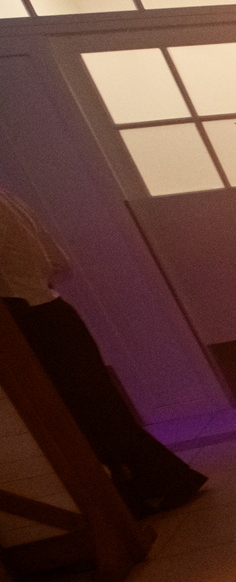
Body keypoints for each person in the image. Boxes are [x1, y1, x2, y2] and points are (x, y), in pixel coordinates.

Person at [0, 186, 206, 517]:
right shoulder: (9, 198)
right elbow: (57, 260)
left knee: (77, 413)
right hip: (54, 312)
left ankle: (134, 494)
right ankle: (155, 483)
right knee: (100, 404)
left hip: (24, 319)